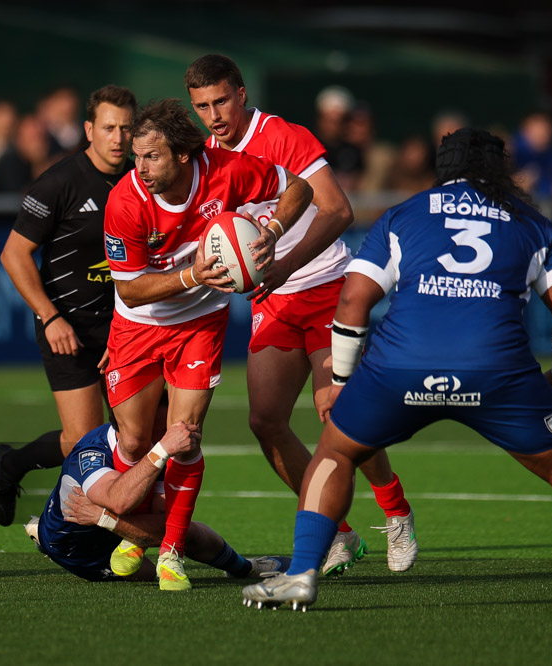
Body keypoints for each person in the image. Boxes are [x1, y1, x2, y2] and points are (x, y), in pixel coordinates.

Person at [242, 128, 552, 613]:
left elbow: (354, 302)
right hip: (497, 369)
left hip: (401, 366)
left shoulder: (404, 213)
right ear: (501, 170)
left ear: (442, 169)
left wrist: (340, 383)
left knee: (335, 451)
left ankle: (301, 575)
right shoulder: (531, 222)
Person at [184, 54, 417, 576]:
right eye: (202, 106)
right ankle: (339, 533)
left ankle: (396, 512)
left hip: (327, 287)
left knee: (340, 414)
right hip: (274, 302)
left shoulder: (282, 135)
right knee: (265, 421)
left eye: (221, 100)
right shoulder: (204, 156)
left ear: (241, 93)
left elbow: (338, 210)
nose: (214, 114)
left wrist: (279, 264)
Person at [102, 97, 313, 591]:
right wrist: (194, 273)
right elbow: (130, 287)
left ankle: (171, 550)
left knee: (184, 433)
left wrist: (273, 230)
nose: (140, 168)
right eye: (136, 156)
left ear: (181, 155)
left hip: (200, 320)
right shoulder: (125, 201)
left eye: (151, 156)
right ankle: (140, 531)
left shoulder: (225, 170)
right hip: (137, 323)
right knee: (134, 440)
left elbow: (299, 186)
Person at [0, 85, 138, 526]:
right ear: (89, 129)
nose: (118, 138)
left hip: (124, 331)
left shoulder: (139, 180)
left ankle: (115, 527)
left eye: (127, 129)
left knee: (135, 437)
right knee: (81, 441)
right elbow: (13, 255)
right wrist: (50, 316)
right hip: (66, 326)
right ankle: (13, 467)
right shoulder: (59, 182)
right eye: (109, 128)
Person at [26, 412, 289, 583]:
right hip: (79, 548)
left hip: (108, 524)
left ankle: (245, 568)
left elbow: (168, 527)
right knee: (150, 574)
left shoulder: (153, 448)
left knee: (182, 531)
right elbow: (119, 502)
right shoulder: (92, 453)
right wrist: (105, 518)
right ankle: (44, 537)